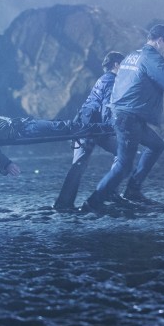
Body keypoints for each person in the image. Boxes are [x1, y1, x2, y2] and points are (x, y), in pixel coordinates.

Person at [79, 24, 164, 213]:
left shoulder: (132, 56)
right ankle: (93, 202)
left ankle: (133, 191)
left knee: (156, 145)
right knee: (124, 164)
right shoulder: (150, 57)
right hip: (128, 118)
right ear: (160, 40)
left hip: (127, 115)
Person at [53, 52, 124, 211]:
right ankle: (111, 192)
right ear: (116, 65)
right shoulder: (112, 81)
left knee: (78, 165)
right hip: (94, 128)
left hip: (84, 125)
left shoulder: (103, 79)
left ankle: (63, 203)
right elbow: (107, 107)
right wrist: (113, 127)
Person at [0, 116, 108, 176]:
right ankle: (106, 127)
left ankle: (101, 127)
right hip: (23, 129)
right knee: (64, 127)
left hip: (23, 125)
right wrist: (6, 164)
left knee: (61, 126)